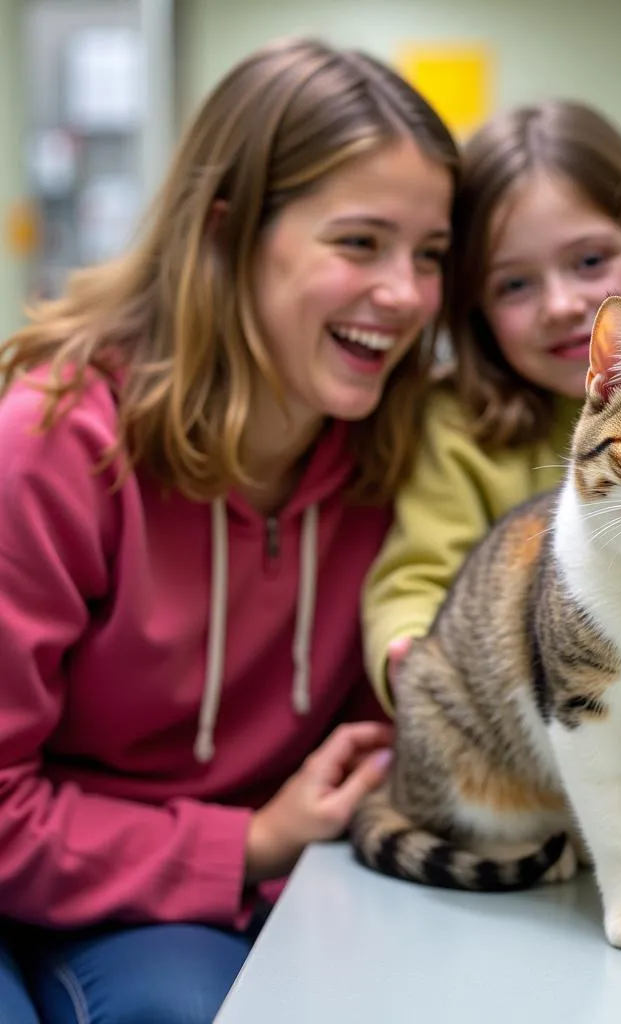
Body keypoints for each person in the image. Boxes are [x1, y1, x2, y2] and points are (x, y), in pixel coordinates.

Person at [0, 37, 457, 1023]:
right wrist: (245, 843)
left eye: (430, 255)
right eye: (359, 242)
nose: (408, 294)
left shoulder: (393, 446)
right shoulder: (50, 448)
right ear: (227, 234)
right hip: (57, 873)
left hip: (247, 885)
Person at [362, 100, 621, 709]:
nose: (561, 303)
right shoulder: (459, 426)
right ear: (476, 310)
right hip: (528, 724)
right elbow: (417, 579)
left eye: (590, 261)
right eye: (514, 284)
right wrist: (408, 652)